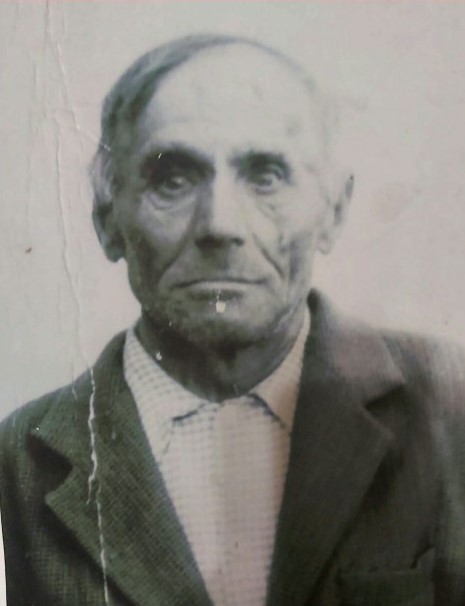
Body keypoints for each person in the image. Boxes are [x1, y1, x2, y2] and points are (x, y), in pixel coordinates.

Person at [1, 33, 465, 606]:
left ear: (333, 211)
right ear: (107, 220)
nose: (219, 225)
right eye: (172, 179)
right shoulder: (17, 462)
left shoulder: (450, 409)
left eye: (265, 175)